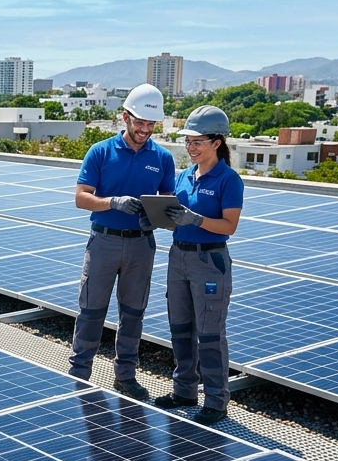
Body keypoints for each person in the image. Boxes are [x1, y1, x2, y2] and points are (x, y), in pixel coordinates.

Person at [70, 83, 176, 399]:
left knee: (133, 312)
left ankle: (125, 375)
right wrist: (112, 202)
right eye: (140, 122)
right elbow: (81, 198)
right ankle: (79, 373)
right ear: (125, 117)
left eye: (151, 124)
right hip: (104, 242)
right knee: (91, 310)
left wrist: (155, 217)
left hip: (141, 245)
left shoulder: (163, 158)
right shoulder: (100, 152)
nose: (145, 129)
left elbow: (168, 204)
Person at [155, 105, 243, 425]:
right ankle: (185, 391)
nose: (190, 147)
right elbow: (176, 219)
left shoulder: (228, 180)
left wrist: (196, 219)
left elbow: (229, 225)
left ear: (216, 143)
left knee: (209, 334)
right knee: (180, 328)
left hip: (209, 261)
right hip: (178, 256)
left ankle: (217, 401)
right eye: (188, 142)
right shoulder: (184, 176)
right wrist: (162, 217)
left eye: (197, 142)